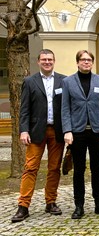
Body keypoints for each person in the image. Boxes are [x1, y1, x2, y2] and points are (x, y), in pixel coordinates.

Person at [11, 50, 66, 223]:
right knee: (30, 167)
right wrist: (23, 130)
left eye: (50, 59)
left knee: (54, 168)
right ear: (38, 62)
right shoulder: (30, 81)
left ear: (54, 61)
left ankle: (51, 202)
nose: (47, 62)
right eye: (44, 59)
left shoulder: (63, 81)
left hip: (56, 131)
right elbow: (24, 109)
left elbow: (66, 107)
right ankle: (23, 205)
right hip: (35, 131)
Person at [61, 50, 99, 219]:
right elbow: (65, 108)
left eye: (89, 60)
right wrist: (67, 130)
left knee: (96, 168)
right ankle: (79, 205)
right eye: (83, 60)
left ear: (92, 62)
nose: (86, 62)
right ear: (77, 62)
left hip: (97, 131)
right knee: (79, 169)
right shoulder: (68, 82)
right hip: (77, 132)